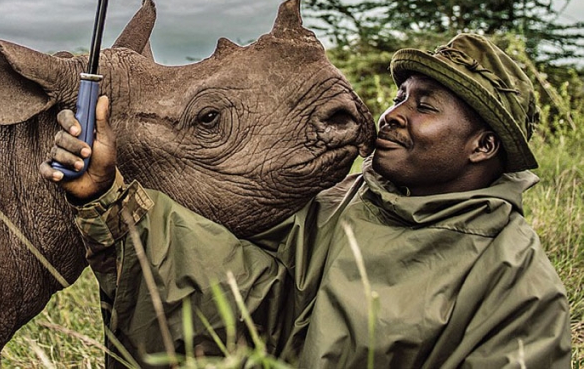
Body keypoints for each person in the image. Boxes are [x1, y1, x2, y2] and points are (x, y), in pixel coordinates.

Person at [40, 34, 571, 368]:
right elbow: (246, 296)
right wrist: (110, 195)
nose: (392, 114)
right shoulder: (341, 202)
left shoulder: (515, 283)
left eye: (424, 106)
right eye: (398, 97)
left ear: (482, 146)